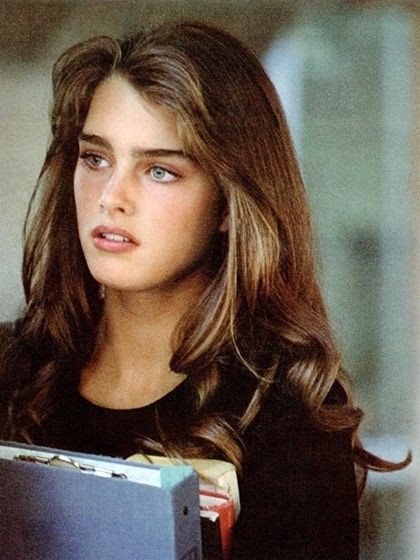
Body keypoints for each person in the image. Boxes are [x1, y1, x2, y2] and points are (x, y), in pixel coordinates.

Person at [0, 20, 410, 559]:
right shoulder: (12, 369)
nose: (111, 196)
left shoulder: (284, 415)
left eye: (159, 171)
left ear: (228, 204)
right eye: (96, 158)